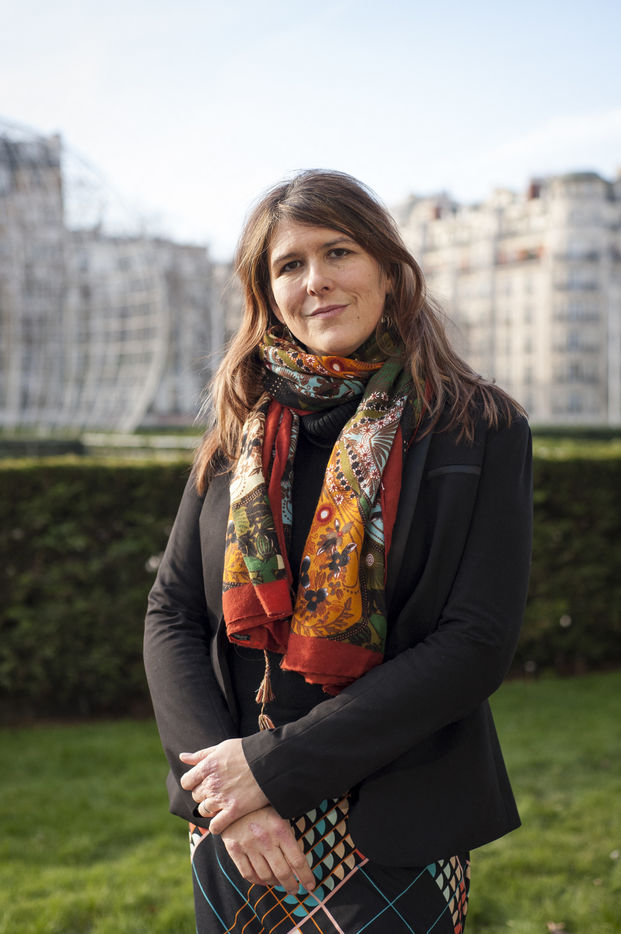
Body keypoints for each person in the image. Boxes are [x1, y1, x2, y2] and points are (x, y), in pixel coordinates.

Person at [143, 169, 533, 934]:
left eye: (338, 252)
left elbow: (475, 642)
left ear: (387, 269)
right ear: (267, 294)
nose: (314, 280)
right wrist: (225, 794)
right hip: (240, 827)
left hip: (394, 821)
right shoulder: (237, 431)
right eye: (288, 265)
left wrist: (270, 770)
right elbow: (173, 614)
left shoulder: (477, 426)